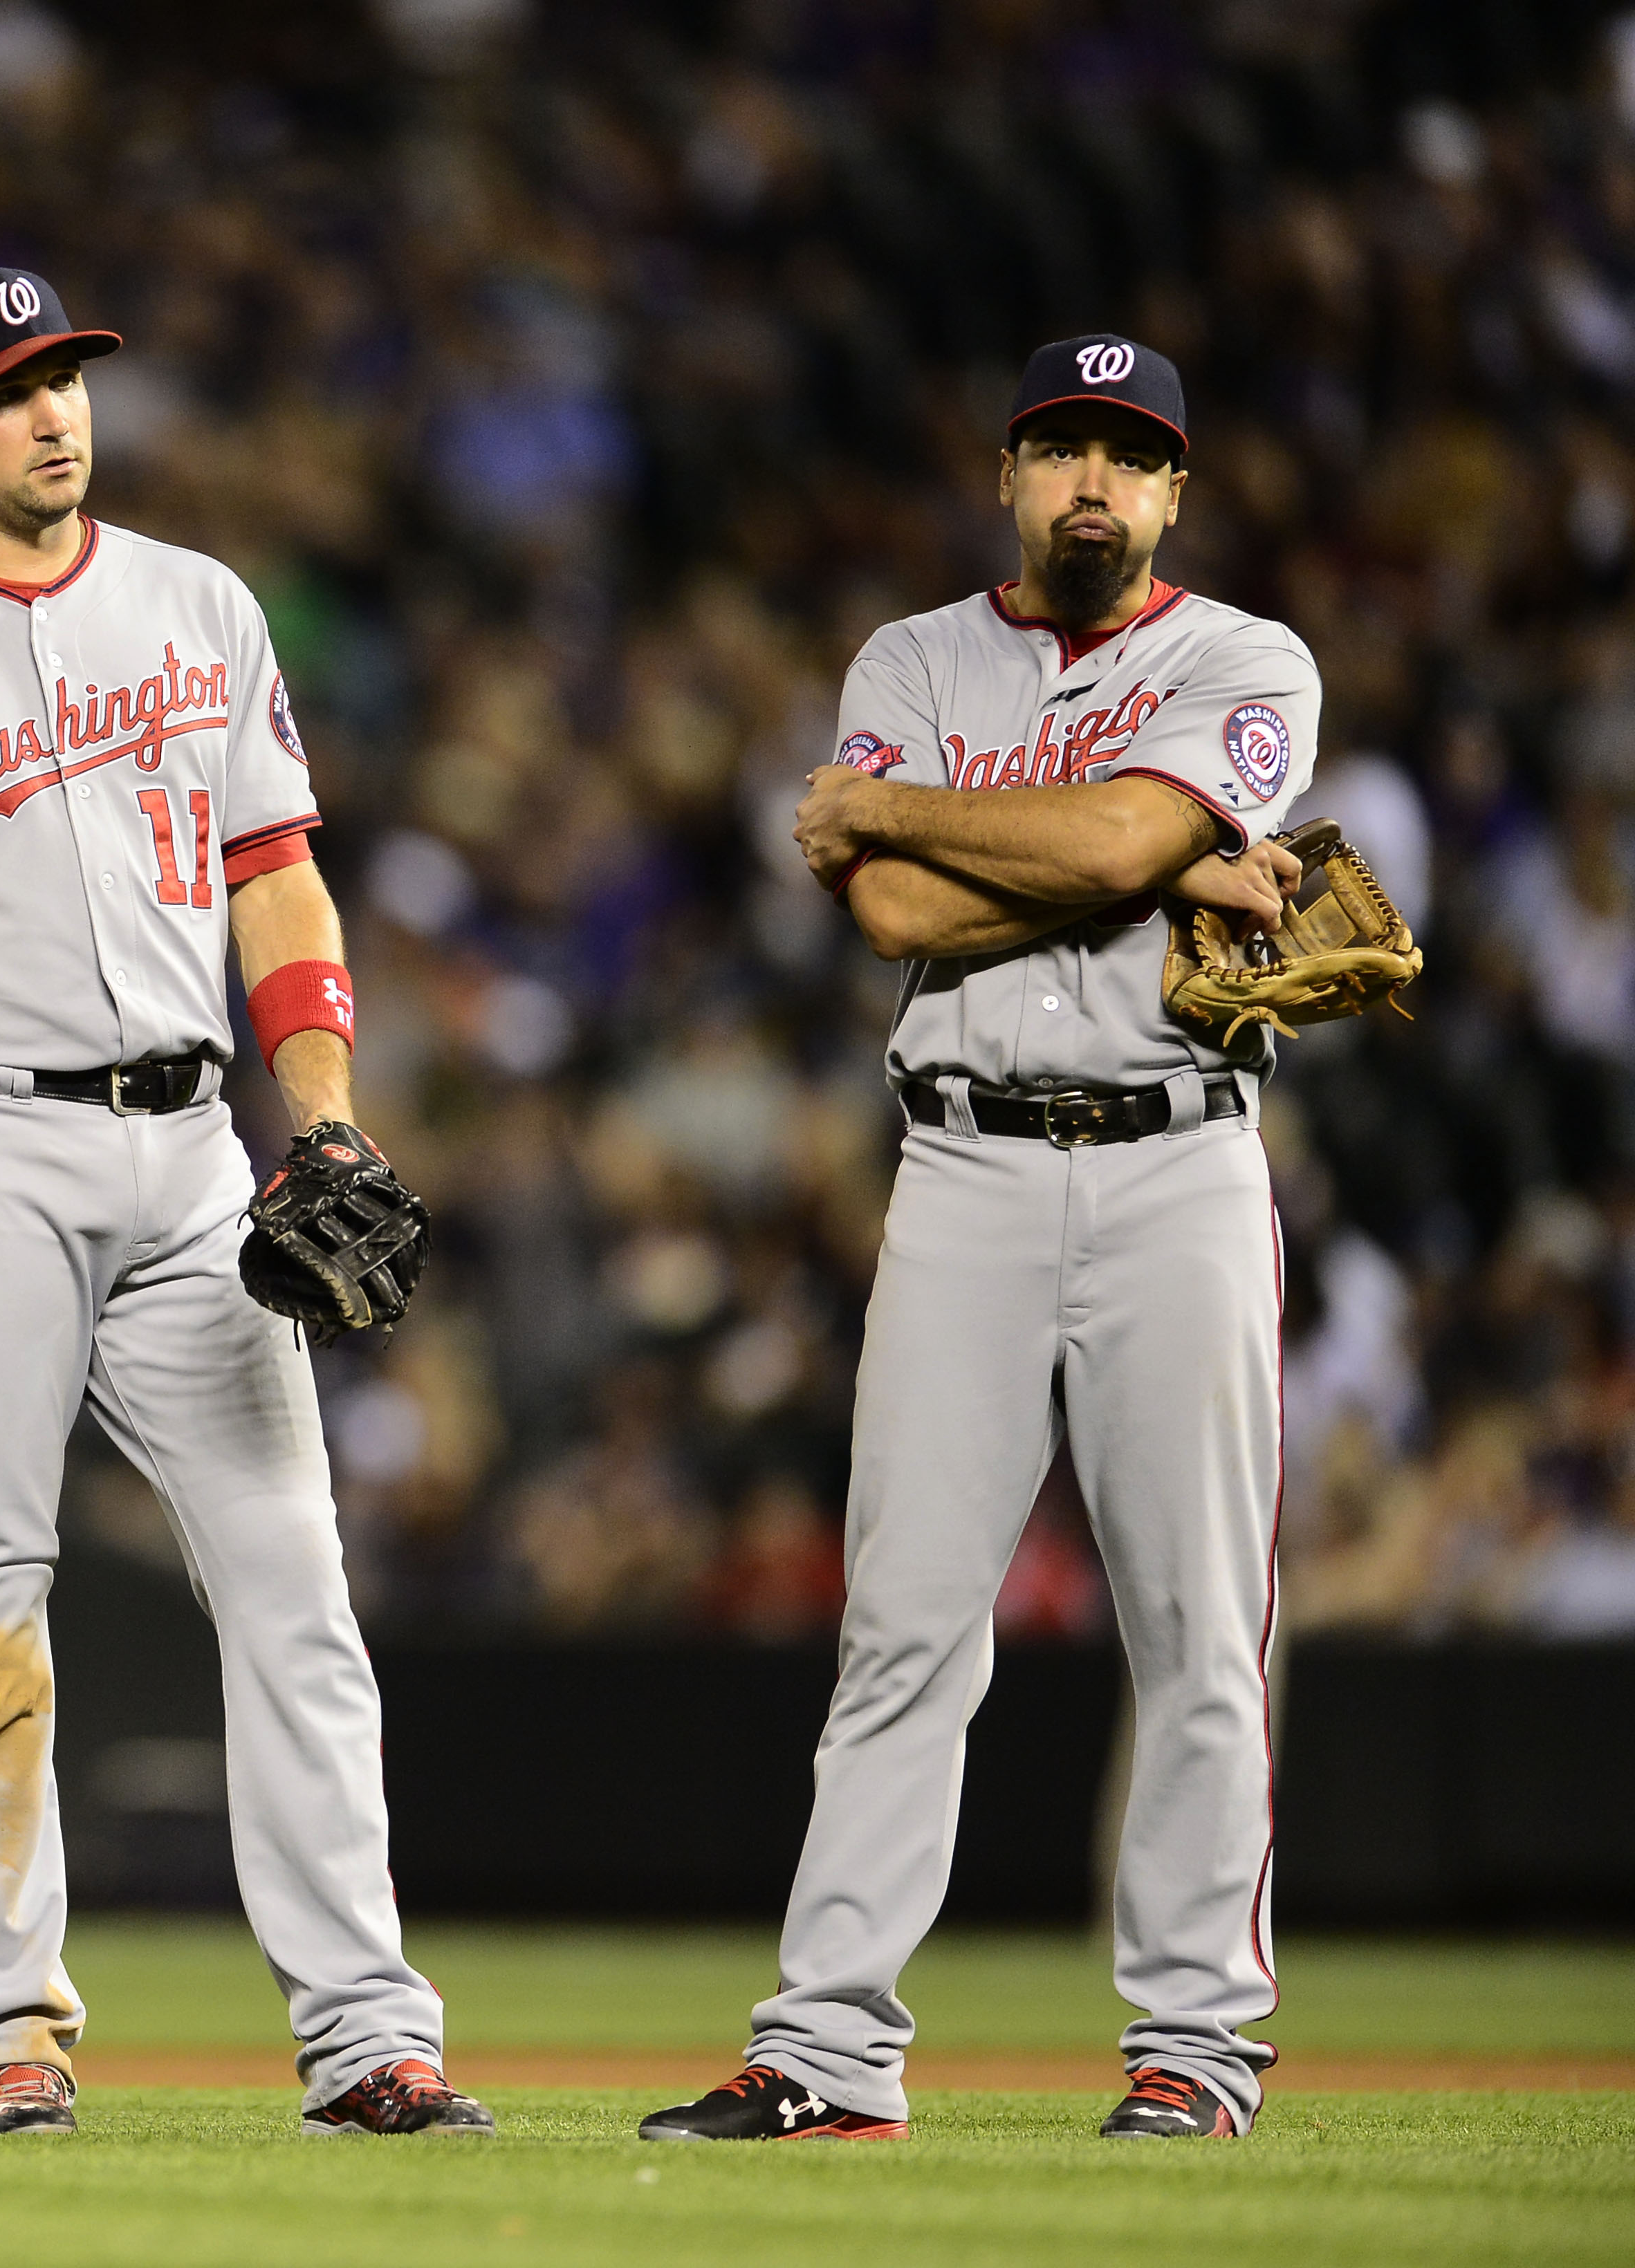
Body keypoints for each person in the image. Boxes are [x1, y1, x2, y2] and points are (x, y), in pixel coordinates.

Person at [0, 268, 490, 2140]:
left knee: (295, 1582)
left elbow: (279, 877)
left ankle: (367, 2035)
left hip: (188, 1147)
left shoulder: (197, 601)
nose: (52, 413)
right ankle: (4, 2031)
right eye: (3, 391)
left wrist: (317, 1105)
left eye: (64, 376)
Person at [641, 335, 1314, 2145]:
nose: (1093, 479)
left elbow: (1084, 847)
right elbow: (897, 912)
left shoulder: (1248, 659)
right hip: (962, 1175)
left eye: (1129, 454)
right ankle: (828, 2058)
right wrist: (1130, 853)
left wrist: (1004, 829)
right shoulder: (913, 656)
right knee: (904, 1629)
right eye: (1062, 447)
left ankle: (1193, 2054)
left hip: (1180, 1169)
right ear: (1007, 477)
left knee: (1196, 1628)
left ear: (1173, 493)